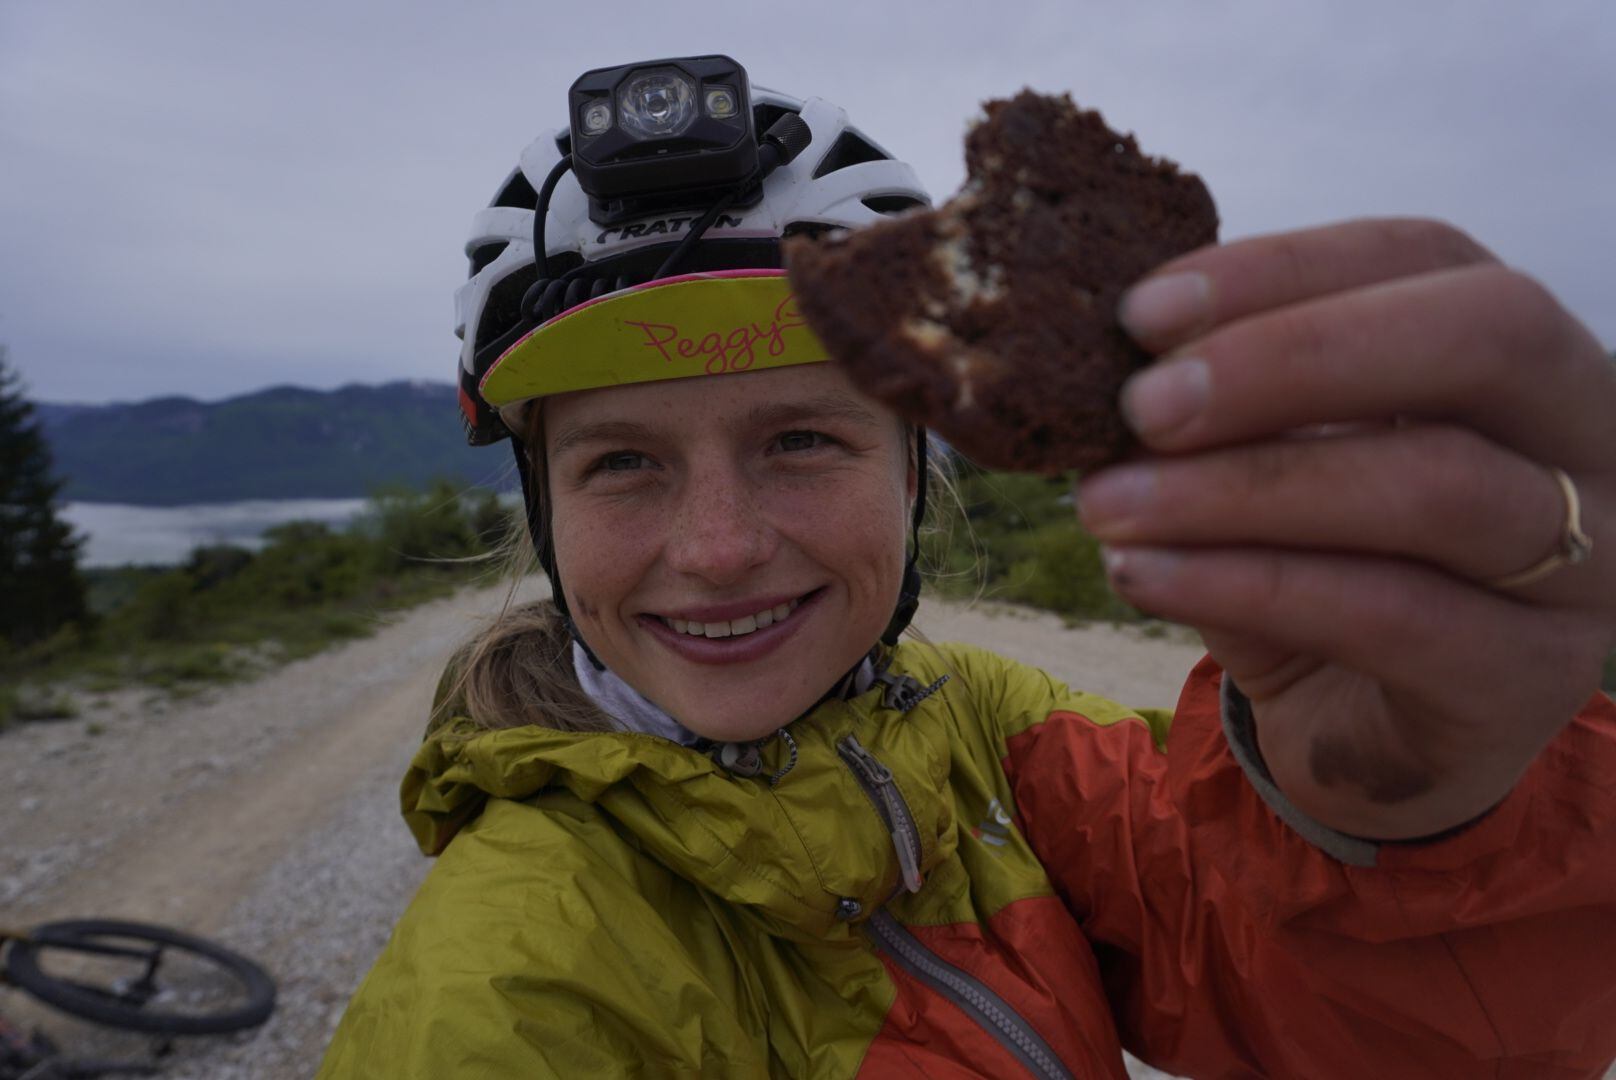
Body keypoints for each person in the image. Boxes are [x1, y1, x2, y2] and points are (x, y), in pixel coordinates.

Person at [317, 59, 1616, 1079]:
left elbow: (1391, 1030)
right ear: (543, 509)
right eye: (620, 463)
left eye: (802, 439)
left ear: (914, 468)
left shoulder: (992, 731)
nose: (717, 549)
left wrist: (1422, 824)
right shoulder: (503, 993)